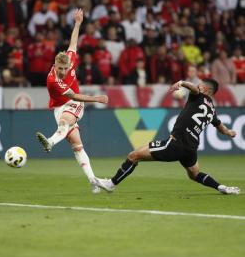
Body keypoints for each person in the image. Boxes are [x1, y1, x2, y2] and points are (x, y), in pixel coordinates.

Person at [95, 79, 240, 195]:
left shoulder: (198, 96)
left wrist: (182, 83)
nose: (198, 85)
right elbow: (220, 127)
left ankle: (111, 184)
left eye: (200, 84)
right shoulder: (212, 110)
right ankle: (221, 187)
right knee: (195, 174)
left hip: (176, 144)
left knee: (133, 156)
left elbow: (194, 89)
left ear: (206, 90)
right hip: (191, 148)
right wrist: (229, 133)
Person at [35, 9, 109, 194]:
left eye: (65, 68)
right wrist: (97, 99)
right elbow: (73, 96)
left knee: (65, 122)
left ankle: (51, 142)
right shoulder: (53, 80)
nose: (62, 71)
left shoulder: (70, 60)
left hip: (74, 107)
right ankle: (94, 180)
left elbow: (73, 43)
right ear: (54, 65)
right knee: (77, 146)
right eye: (59, 68)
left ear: (69, 64)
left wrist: (77, 23)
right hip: (62, 105)